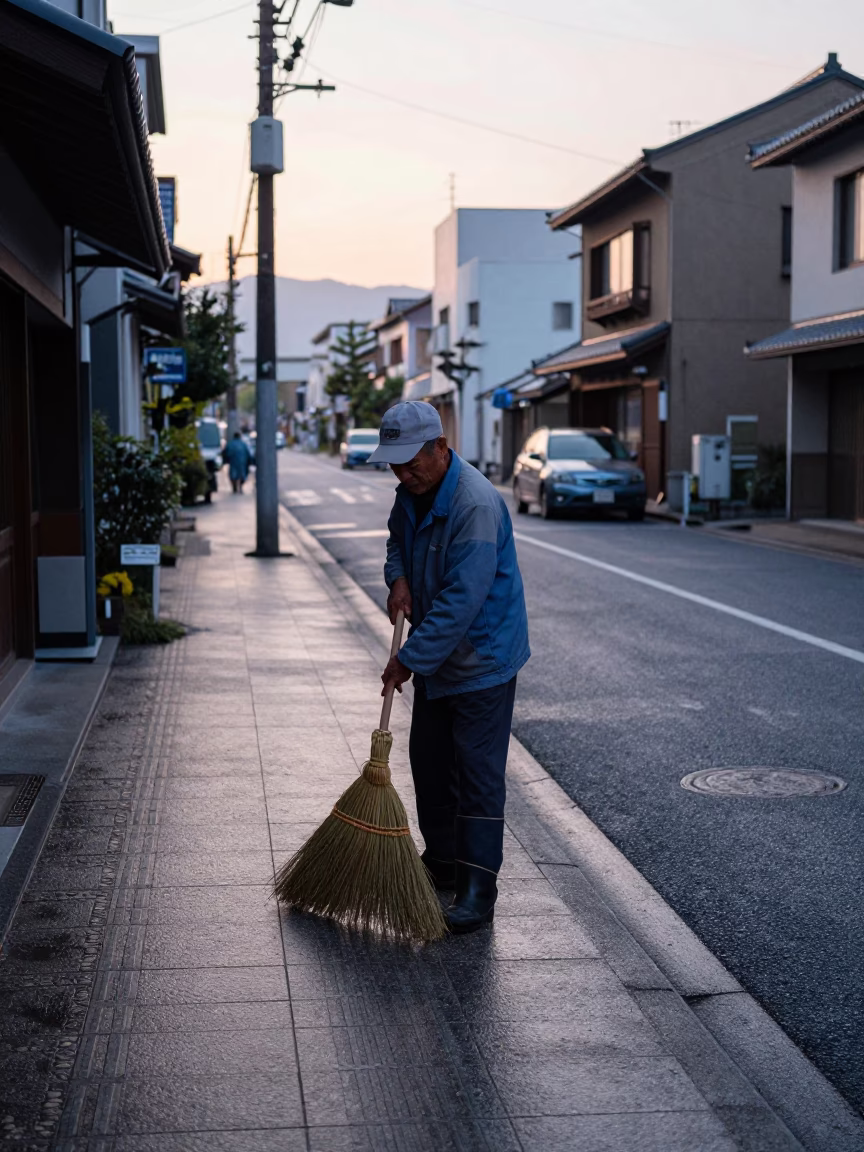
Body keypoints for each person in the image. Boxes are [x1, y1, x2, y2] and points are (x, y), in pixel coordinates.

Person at [368, 401, 530, 934]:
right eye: (395, 464)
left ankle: (479, 885)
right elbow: (397, 543)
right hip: (439, 659)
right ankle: (441, 860)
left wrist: (407, 660)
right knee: (429, 761)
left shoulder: (474, 504)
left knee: (477, 774)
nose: (403, 473)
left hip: (481, 658)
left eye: (411, 462)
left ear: (441, 447)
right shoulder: (409, 496)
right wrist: (398, 579)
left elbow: (463, 600)